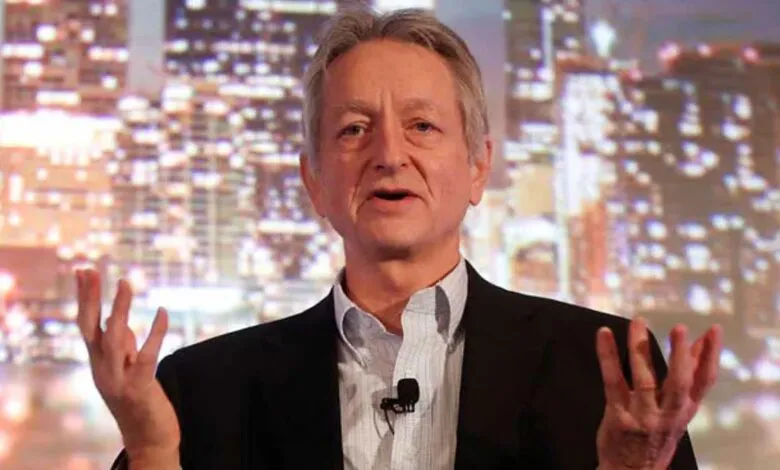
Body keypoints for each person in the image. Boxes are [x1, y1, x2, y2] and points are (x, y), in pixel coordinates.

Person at [75, 7, 722, 470]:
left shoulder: (605, 373)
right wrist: (154, 452)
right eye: (354, 129)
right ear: (314, 182)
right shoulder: (198, 393)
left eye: (422, 126)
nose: (389, 153)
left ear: (478, 167)